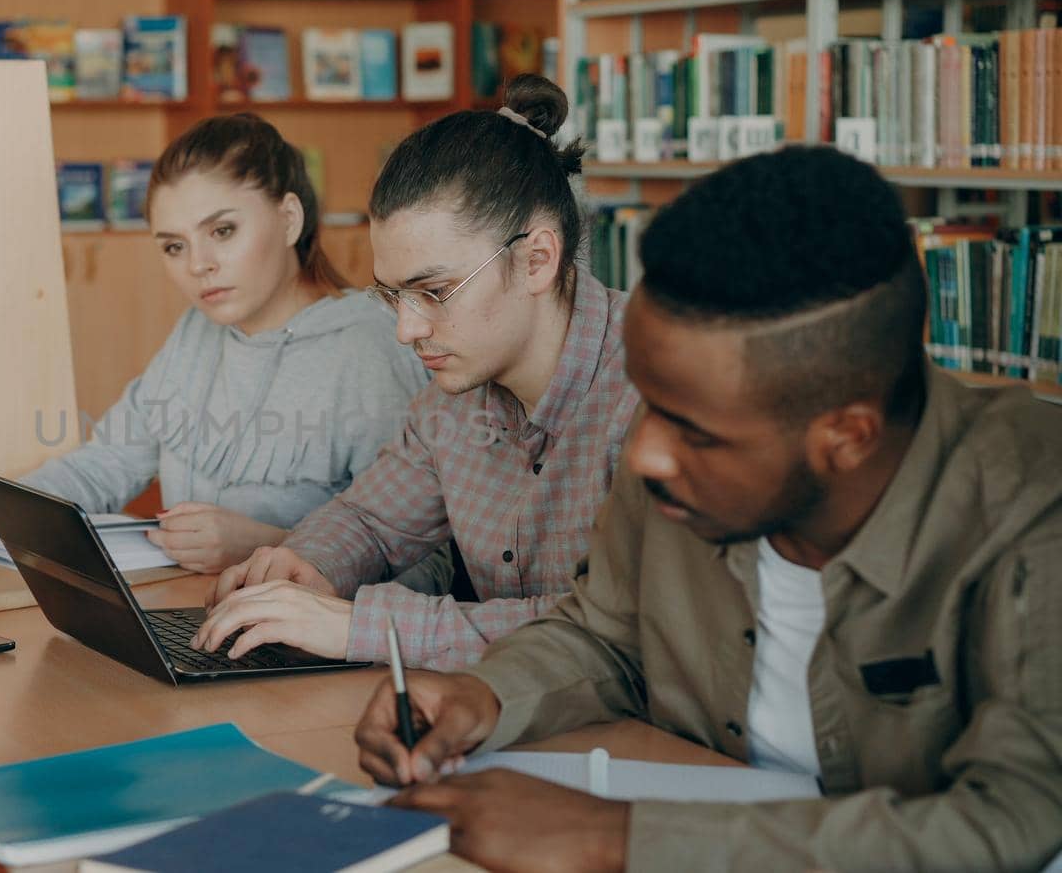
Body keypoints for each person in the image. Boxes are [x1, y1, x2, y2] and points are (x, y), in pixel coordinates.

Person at [354, 146, 1062, 872]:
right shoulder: (674, 461)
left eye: (695, 431)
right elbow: (603, 635)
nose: (646, 454)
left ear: (847, 436)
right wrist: (483, 696)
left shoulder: (1032, 506)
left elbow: (1014, 818)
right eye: (652, 404)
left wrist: (619, 839)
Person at [192, 74, 639, 670]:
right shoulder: (454, 398)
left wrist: (361, 627)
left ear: (537, 260)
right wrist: (308, 567)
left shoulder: (656, 394)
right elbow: (370, 520)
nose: (407, 330)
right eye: (393, 295)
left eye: (433, 291)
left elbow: (613, 630)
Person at [0, 114, 431, 576]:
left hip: (316, 651)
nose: (197, 265)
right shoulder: (197, 332)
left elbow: (423, 561)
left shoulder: (372, 348)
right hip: (192, 618)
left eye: (223, 231)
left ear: (289, 219)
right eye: (174, 246)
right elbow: (109, 462)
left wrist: (276, 547)